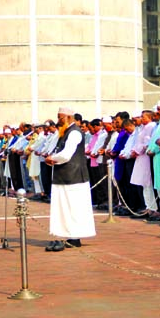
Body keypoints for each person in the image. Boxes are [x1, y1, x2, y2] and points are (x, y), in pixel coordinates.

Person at [45, 107, 97, 252]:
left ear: (68, 117)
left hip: (73, 176)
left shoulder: (74, 133)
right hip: (64, 175)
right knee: (64, 208)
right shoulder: (65, 132)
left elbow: (66, 154)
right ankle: (67, 235)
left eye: (60, 118)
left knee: (73, 207)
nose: (58, 121)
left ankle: (74, 237)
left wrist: (52, 158)